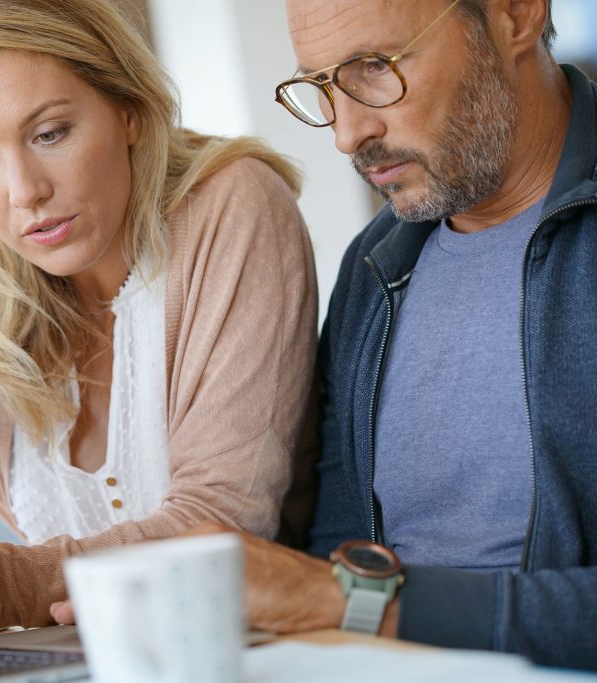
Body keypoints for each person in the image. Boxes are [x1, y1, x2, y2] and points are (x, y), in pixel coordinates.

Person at [107, 0, 595, 669]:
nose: (346, 133)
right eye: (324, 86)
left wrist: (368, 603)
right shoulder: (377, 263)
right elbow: (334, 547)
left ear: (514, 15)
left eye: (374, 67)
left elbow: (336, 590)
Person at [0, 0, 318, 631]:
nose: (24, 192)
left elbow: (219, 530)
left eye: (49, 134)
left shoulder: (232, 208)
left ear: (127, 107)